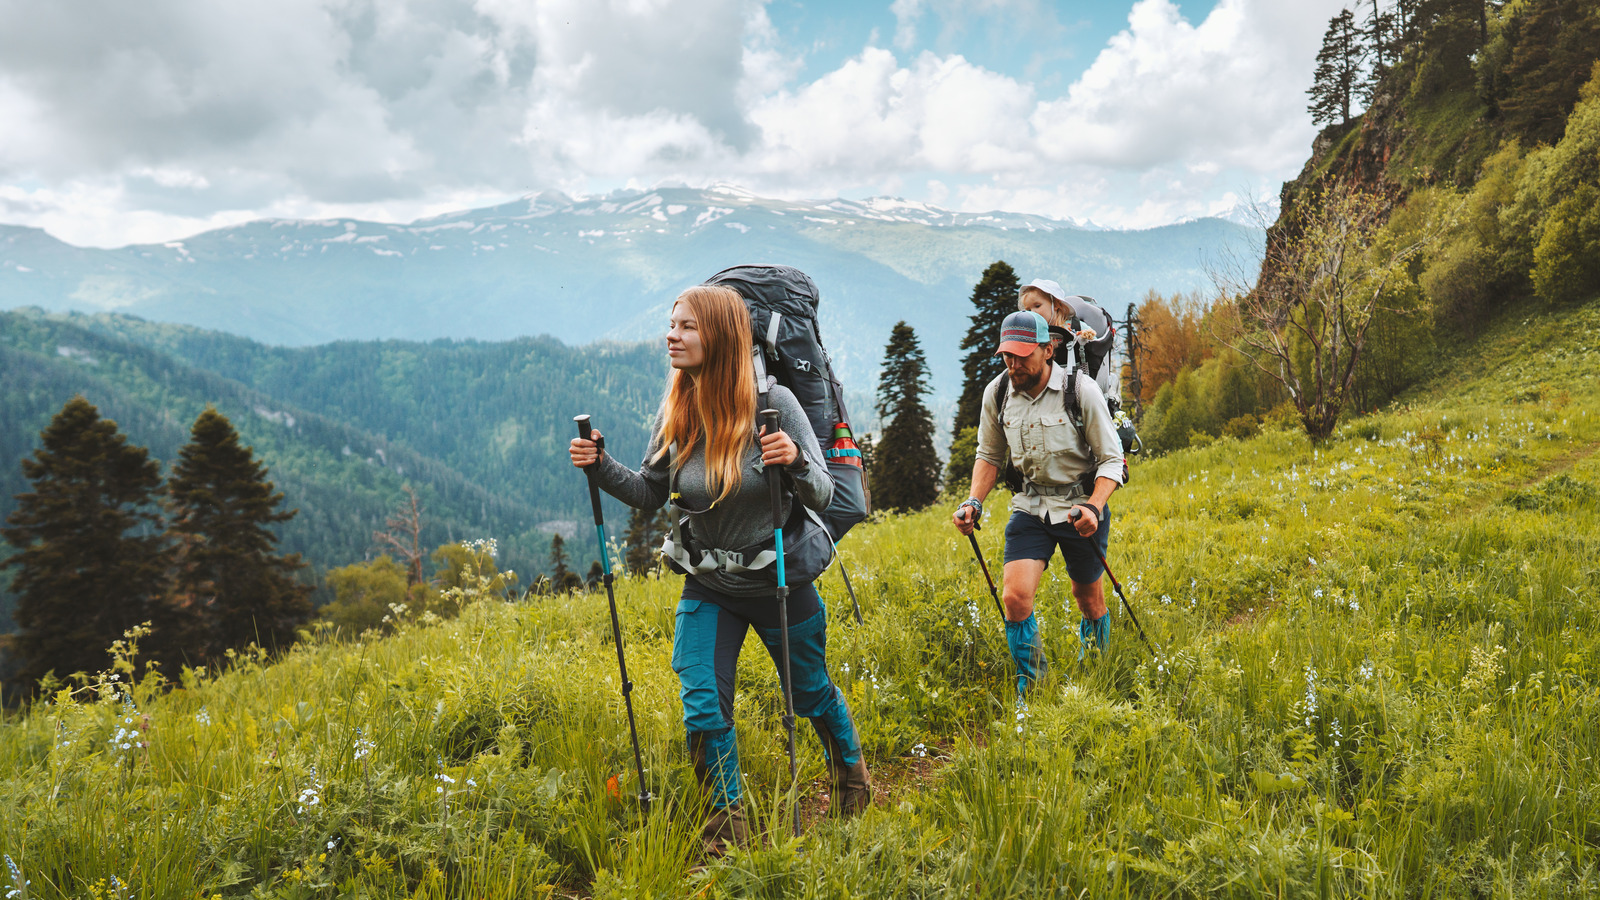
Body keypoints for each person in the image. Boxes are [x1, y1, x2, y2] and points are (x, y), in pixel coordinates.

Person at [570, 284, 870, 854]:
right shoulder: (678, 408)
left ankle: (851, 782)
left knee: (808, 694)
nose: (671, 335)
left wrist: (797, 460)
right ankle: (725, 833)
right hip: (707, 584)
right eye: (671, 323)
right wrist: (601, 464)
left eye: (685, 326)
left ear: (722, 337)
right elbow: (649, 491)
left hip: (779, 581)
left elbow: (825, 492)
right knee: (704, 702)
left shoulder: (773, 403)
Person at [951, 298, 1126, 696]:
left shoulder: (1079, 391)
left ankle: (1096, 675)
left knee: (1089, 599)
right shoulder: (996, 394)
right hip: (1030, 507)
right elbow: (989, 455)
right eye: (1007, 356)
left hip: (1080, 508)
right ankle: (1033, 688)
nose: (1013, 366)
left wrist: (1095, 507)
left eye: (1022, 356)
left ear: (1049, 350)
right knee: (1014, 597)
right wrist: (973, 501)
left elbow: (1112, 461)